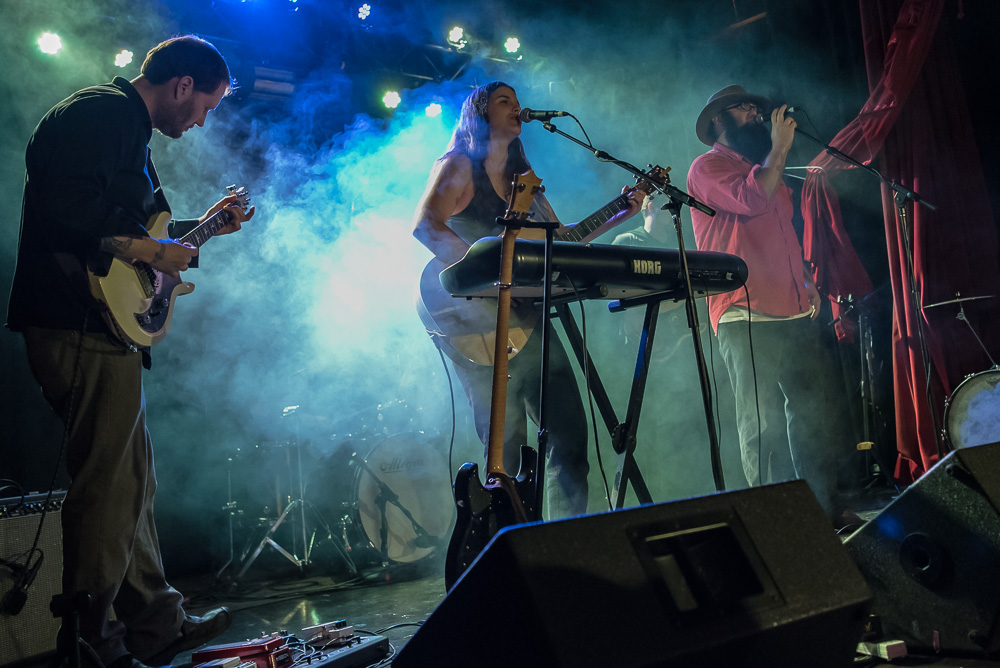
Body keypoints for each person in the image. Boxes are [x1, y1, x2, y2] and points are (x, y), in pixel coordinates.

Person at [6, 35, 255, 668]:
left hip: (99, 327)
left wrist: (199, 229)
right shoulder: (104, 113)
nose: (201, 121)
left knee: (133, 479)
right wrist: (150, 252)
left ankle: (155, 621)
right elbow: (65, 207)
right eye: (205, 106)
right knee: (108, 486)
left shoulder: (124, 130)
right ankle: (92, 644)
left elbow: (126, 231)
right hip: (75, 325)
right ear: (181, 85)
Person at [413, 81, 643, 518]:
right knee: (508, 441)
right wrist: (491, 277)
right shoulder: (460, 165)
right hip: (471, 315)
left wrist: (620, 212)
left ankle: (565, 540)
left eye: (518, 104)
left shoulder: (526, 182)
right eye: (505, 102)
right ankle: (509, 543)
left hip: (527, 317)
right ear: (480, 114)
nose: (518, 109)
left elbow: (559, 242)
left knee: (570, 433)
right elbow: (426, 226)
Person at [685, 84, 849, 518]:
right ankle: (776, 523)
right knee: (763, 424)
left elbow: (782, 232)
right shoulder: (708, 167)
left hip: (793, 306)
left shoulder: (764, 167)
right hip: (745, 313)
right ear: (718, 120)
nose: (755, 113)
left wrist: (806, 279)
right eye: (743, 108)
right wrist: (779, 148)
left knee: (812, 415)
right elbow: (752, 200)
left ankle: (824, 513)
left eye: (756, 107)